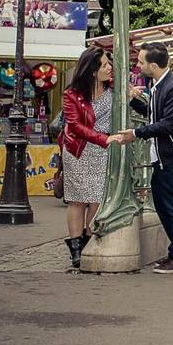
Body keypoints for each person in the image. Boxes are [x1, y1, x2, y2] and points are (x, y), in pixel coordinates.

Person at [115, 42, 173, 273]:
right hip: (164, 156)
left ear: (152, 64)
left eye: (140, 62)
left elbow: (168, 124)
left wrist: (135, 133)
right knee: (163, 203)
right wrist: (133, 100)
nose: (138, 66)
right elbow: (154, 116)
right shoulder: (159, 85)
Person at [60, 45, 113, 268]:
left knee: (98, 200)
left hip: (103, 152)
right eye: (105, 65)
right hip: (79, 150)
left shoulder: (115, 91)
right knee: (78, 200)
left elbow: (139, 109)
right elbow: (76, 126)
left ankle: (90, 241)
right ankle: (76, 248)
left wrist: (134, 95)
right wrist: (104, 139)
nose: (110, 68)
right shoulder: (72, 95)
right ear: (92, 70)